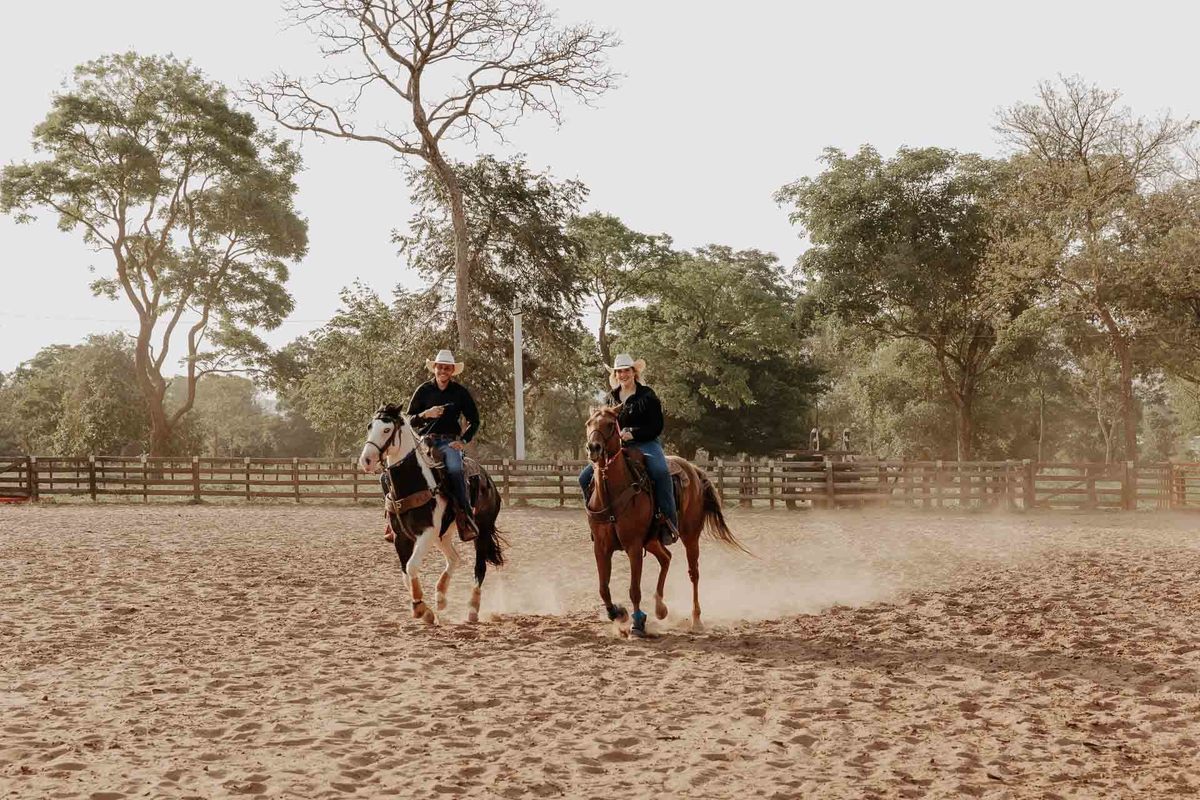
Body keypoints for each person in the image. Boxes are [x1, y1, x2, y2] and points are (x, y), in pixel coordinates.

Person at [579, 353, 679, 545]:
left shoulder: (647, 396)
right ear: (615, 375)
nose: (623, 374)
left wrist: (633, 434)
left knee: (660, 472)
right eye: (619, 372)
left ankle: (667, 521)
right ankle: (596, 521)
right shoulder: (610, 398)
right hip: (616, 447)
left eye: (626, 370)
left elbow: (656, 426)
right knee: (584, 478)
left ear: (634, 372)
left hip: (646, 443)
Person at [406, 349, 481, 541]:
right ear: (435, 368)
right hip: (424, 441)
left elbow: (475, 420)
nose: (443, 371)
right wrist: (426, 414)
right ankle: (393, 519)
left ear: (452, 370)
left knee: (455, 469)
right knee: (398, 469)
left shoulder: (460, 392)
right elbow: (409, 420)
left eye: (447, 368)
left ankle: (465, 517)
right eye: (440, 367)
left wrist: (463, 441)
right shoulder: (423, 390)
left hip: (449, 442)